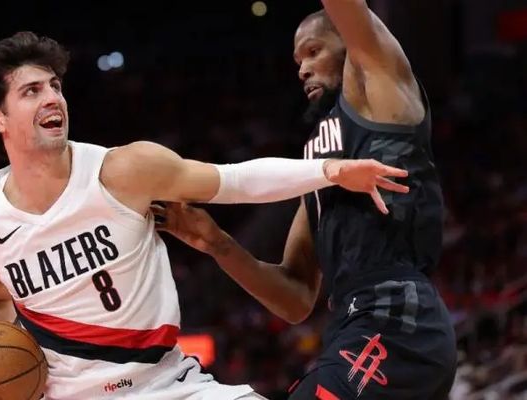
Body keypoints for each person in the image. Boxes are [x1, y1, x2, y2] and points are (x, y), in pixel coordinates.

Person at [0, 31, 410, 400]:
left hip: (167, 385)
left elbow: (234, 180)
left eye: (55, 86)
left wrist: (330, 170)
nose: (53, 97)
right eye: (32, 91)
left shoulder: (123, 170)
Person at [153, 2, 457, 399]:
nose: (302, 69)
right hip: (352, 324)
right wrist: (217, 244)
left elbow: (351, 14)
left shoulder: (379, 90)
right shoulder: (318, 164)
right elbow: (295, 298)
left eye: (314, 51)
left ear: (349, 46)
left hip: (398, 322)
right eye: (298, 61)